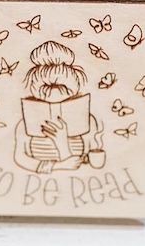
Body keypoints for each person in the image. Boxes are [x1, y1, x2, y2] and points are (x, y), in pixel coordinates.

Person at [14, 40, 104, 174]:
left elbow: (88, 160)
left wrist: (62, 142)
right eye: (45, 89)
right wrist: (56, 166)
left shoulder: (87, 120)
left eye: (64, 90)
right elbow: (20, 157)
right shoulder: (26, 122)